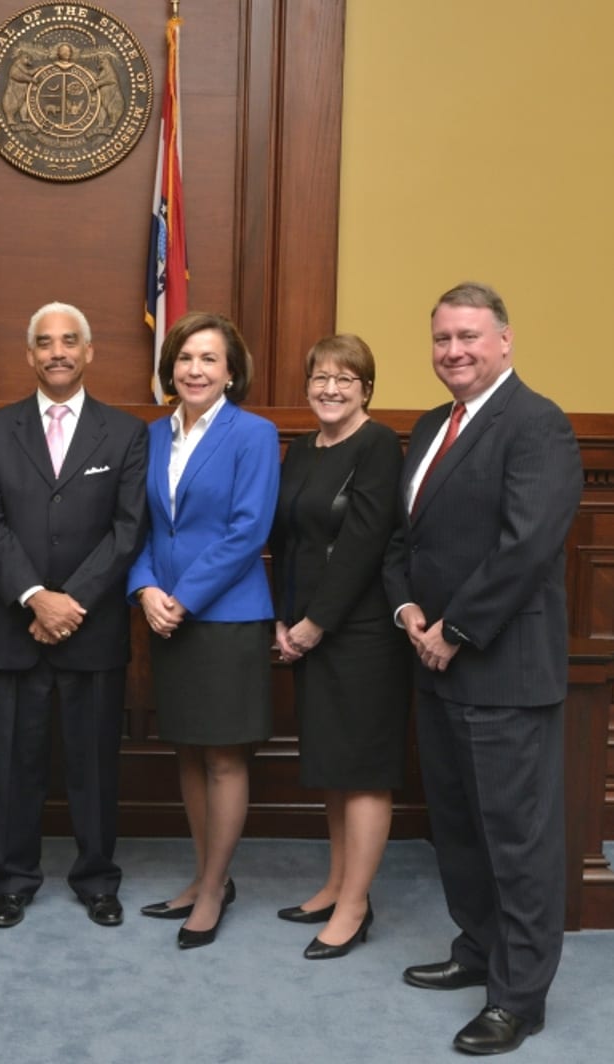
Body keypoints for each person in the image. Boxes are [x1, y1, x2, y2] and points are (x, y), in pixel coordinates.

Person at [384, 282, 582, 1055]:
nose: (454, 351)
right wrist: (408, 615)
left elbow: (527, 547)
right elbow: (405, 543)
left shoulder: (538, 424)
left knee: (516, 840)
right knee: (459, 831)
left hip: (501, 668)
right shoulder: (434, 424)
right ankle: (478, 951)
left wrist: (454, 630)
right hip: (432, 663)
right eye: (441, 339)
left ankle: (520, 996)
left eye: (468, 336)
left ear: (504, 340)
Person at [0, 302, 147, 930]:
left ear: (89, 351)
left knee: (94, 765)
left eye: (70, 341)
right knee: (12, 765)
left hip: (90, 629)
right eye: (44, 343)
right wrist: (33, 598)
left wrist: (69, 603)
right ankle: (12, 880)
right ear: (29, 355)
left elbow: (127, 531)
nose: (58, 352)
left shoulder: (126, 434)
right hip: (14, 626)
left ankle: (97, 879)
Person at [127, 311, 278, 949]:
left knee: (222, 756)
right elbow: (140, 528)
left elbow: (249, 531)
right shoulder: (154, 436)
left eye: (209, 359)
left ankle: (215, 889)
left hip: (227, 617)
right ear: (171, 369)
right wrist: (144, 589)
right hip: (167, 616)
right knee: (187, 749)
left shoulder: (255, 434)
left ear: (231, 371)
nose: (195, 370)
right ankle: (203, 873)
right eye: (186, 358)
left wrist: (182, 598)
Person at [269, 334, 410, 960]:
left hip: (361, 633)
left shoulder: (377, 445)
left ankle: (356, 905)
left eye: (345, 379)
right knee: (332, 766)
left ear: (367, 389)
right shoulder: (300, 450)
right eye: (320, 377)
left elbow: (363, 542)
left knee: (364, 773)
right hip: (306, 631)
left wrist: (316, 623)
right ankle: (335, 883)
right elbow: (286, 542)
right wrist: (282, 619)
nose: (330, 388)